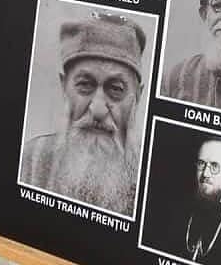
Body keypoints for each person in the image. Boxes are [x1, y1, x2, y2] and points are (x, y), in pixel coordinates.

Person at [19, 12, 147, 216]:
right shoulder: (31, 160)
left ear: (137, 97)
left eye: (116, 89)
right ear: (64, 87)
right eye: (85, 85)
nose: (98, 109)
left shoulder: (148, 178)